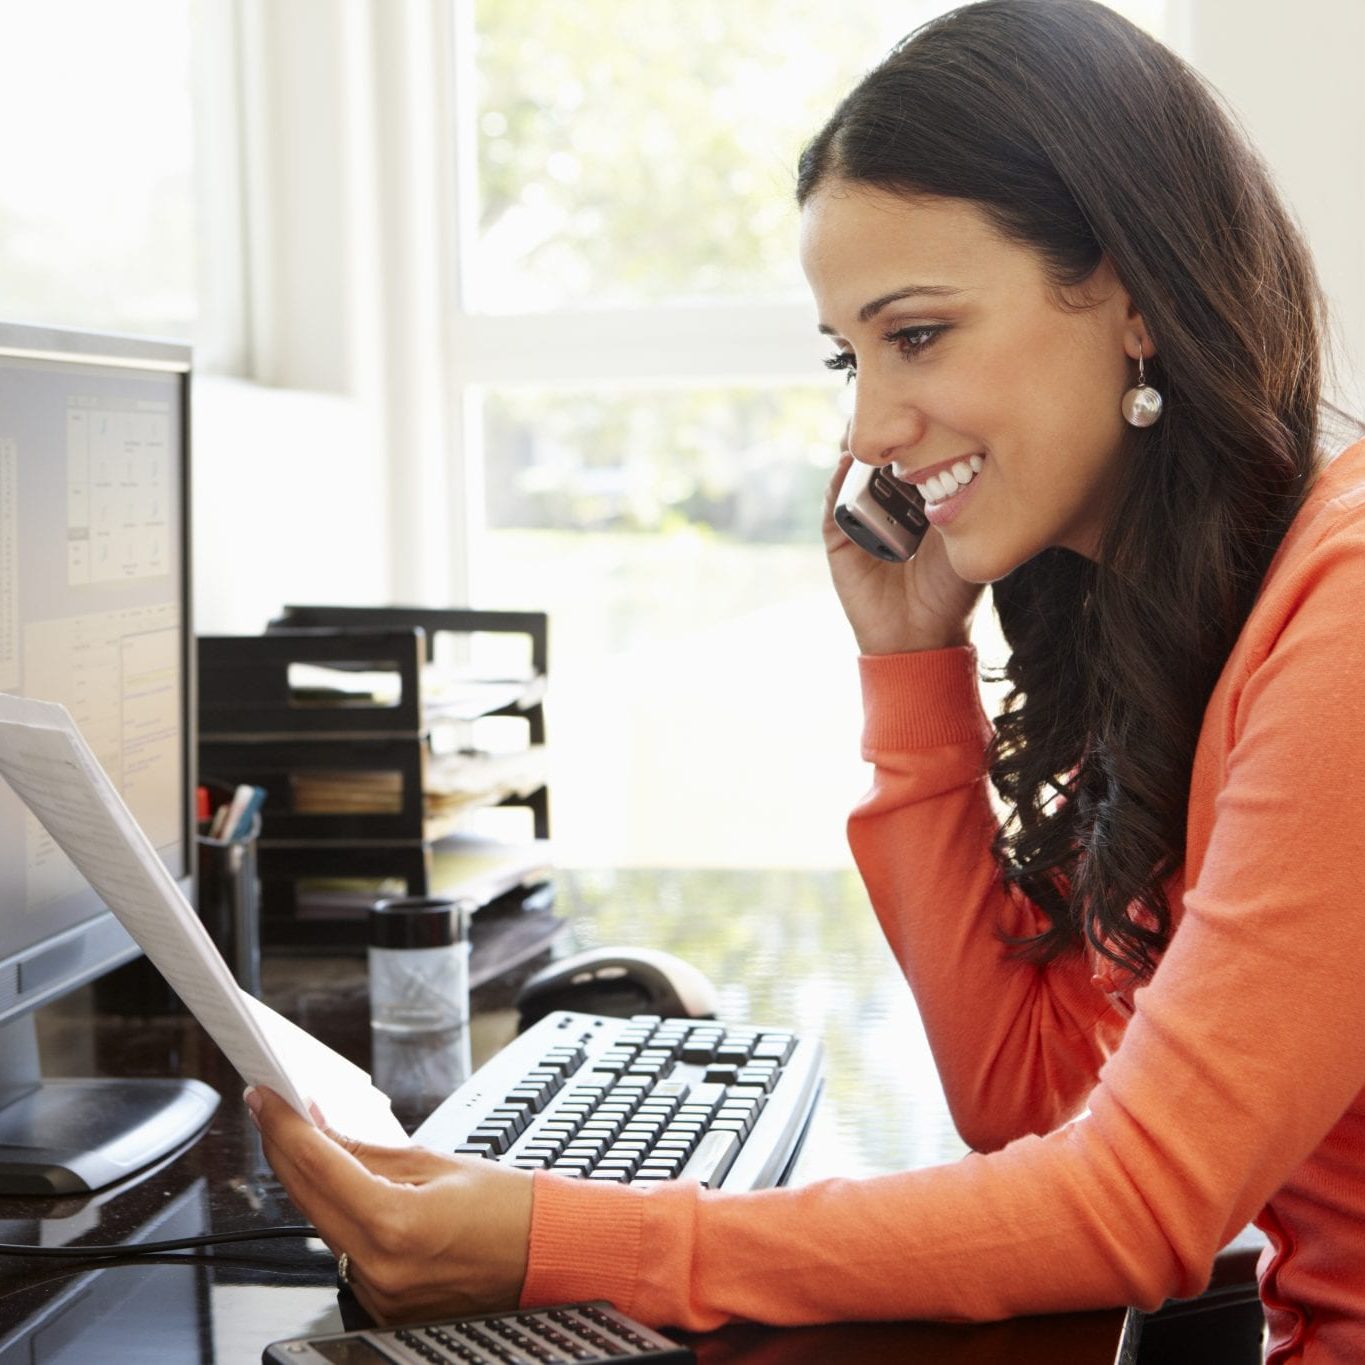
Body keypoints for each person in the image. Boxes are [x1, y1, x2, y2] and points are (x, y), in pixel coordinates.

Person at [248, 2, 1365, 1359]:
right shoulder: (1184, 620)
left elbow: (1135, 1206)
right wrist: (909, 663)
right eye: (849, 355)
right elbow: (1020, 1091)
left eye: (916, 335)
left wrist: (575, 1238)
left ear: (1129, 298)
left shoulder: (1346, 608)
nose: (869, 432)